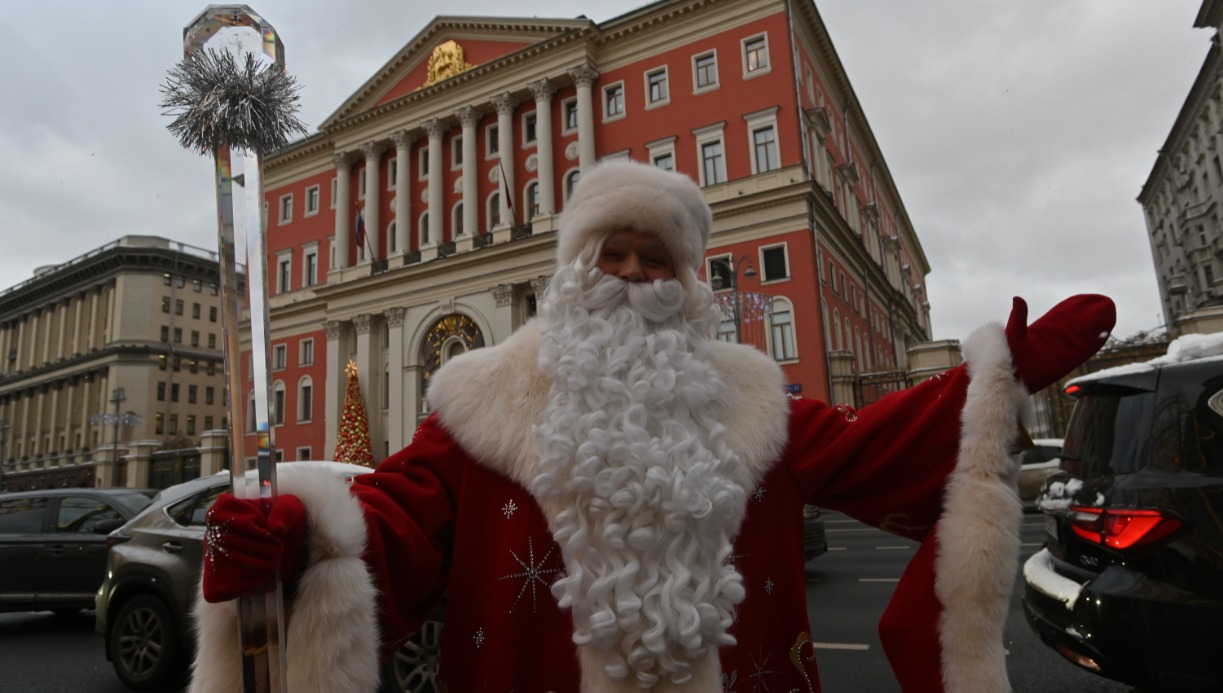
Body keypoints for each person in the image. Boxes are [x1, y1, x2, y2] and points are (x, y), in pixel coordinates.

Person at [190, 159, 1115, 693]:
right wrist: (303, 541)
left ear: (685, 283)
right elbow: (397, 518)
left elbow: (873, 448)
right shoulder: (483, 398)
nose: (634, 275)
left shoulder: (752, 399)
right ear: (575, 270)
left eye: (655, 259)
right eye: (613, 254)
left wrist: (996, 378)